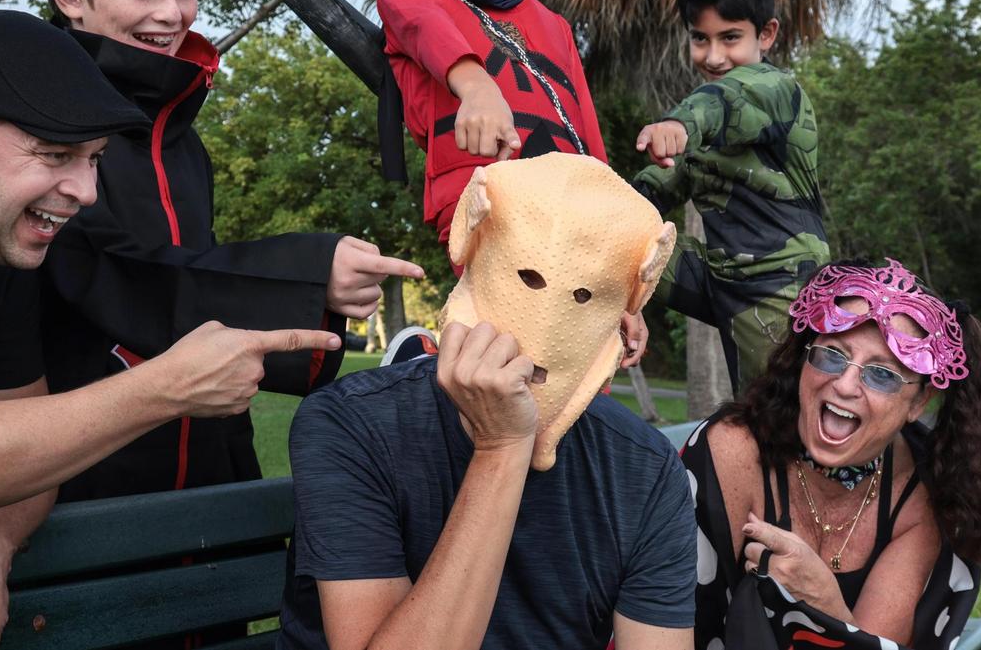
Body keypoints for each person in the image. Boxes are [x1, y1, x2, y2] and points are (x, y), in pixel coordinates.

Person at [0, 10, 341, 648]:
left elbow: (24, 450)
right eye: (53, 154)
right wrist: (163, 389)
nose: (85, 192)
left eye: (94, 159)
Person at [29, 0, 424, 506]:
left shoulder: (184, 142)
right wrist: (308, 274)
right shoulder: (36, 124)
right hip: (80, 486)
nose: (171, 13)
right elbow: (101, 272)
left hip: (210, 477)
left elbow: (192, 283)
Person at [278, 153, 695, 650]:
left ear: (626, 318)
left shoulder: (644, 468)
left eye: (585, 295)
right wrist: (502, 449)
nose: (545, 332)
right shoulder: (349, 426)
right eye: (528, 278)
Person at [377, 0, 646, 364]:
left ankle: (435, 365)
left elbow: (592, 151)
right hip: (488, 210)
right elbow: (421, 23)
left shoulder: (554, 26)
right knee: (514, 354)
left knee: (579, 369)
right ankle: (428, 363)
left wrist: (626, 289)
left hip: (575, 227)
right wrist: (475, 86)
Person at [682, 258, 981, 649]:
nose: (845, 385)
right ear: (803, 357)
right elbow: (663, 624)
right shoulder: (733, 453)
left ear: (918, 403)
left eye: (882, 374)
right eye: (832, 355)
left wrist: (825, 603)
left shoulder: (923, 496)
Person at [633, 0, 830, 393]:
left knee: (769, 422)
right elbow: (655, 188)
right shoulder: (698, 131)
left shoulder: (777, 90)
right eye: (700, 39)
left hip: (780, 286)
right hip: (719, 278)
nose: (714, 56)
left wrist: (679, 125)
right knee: (617, 236)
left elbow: (728, 103)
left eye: (730, 38)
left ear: (766, 35)